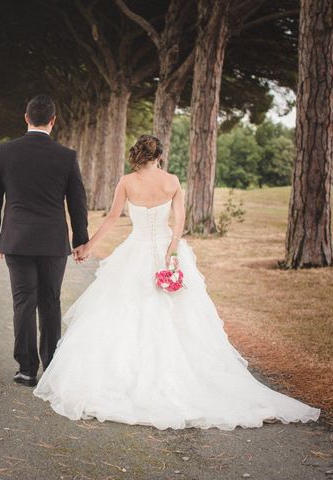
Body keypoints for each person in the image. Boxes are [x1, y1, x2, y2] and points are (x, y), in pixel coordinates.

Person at [33, 134, 320, 430]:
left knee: (122, 312)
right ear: (159, 156)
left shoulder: (127, 182)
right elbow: (179, 219)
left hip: (135, 253)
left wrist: (88, 246)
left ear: (137, 155)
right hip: (165, 250)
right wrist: (172, 249)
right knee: (178, 316)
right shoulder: (171, 181)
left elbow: (111, 219)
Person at [0, 94, 89, 387]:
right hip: (53, 242)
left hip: (16, 241)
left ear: (26, 118)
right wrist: (81, 240)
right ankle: (52, 368)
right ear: (53, 121)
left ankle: (27, 370)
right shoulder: (66, 156)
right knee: (50, 302)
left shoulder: (4, 153)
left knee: (23, 303)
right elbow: (77, 202)